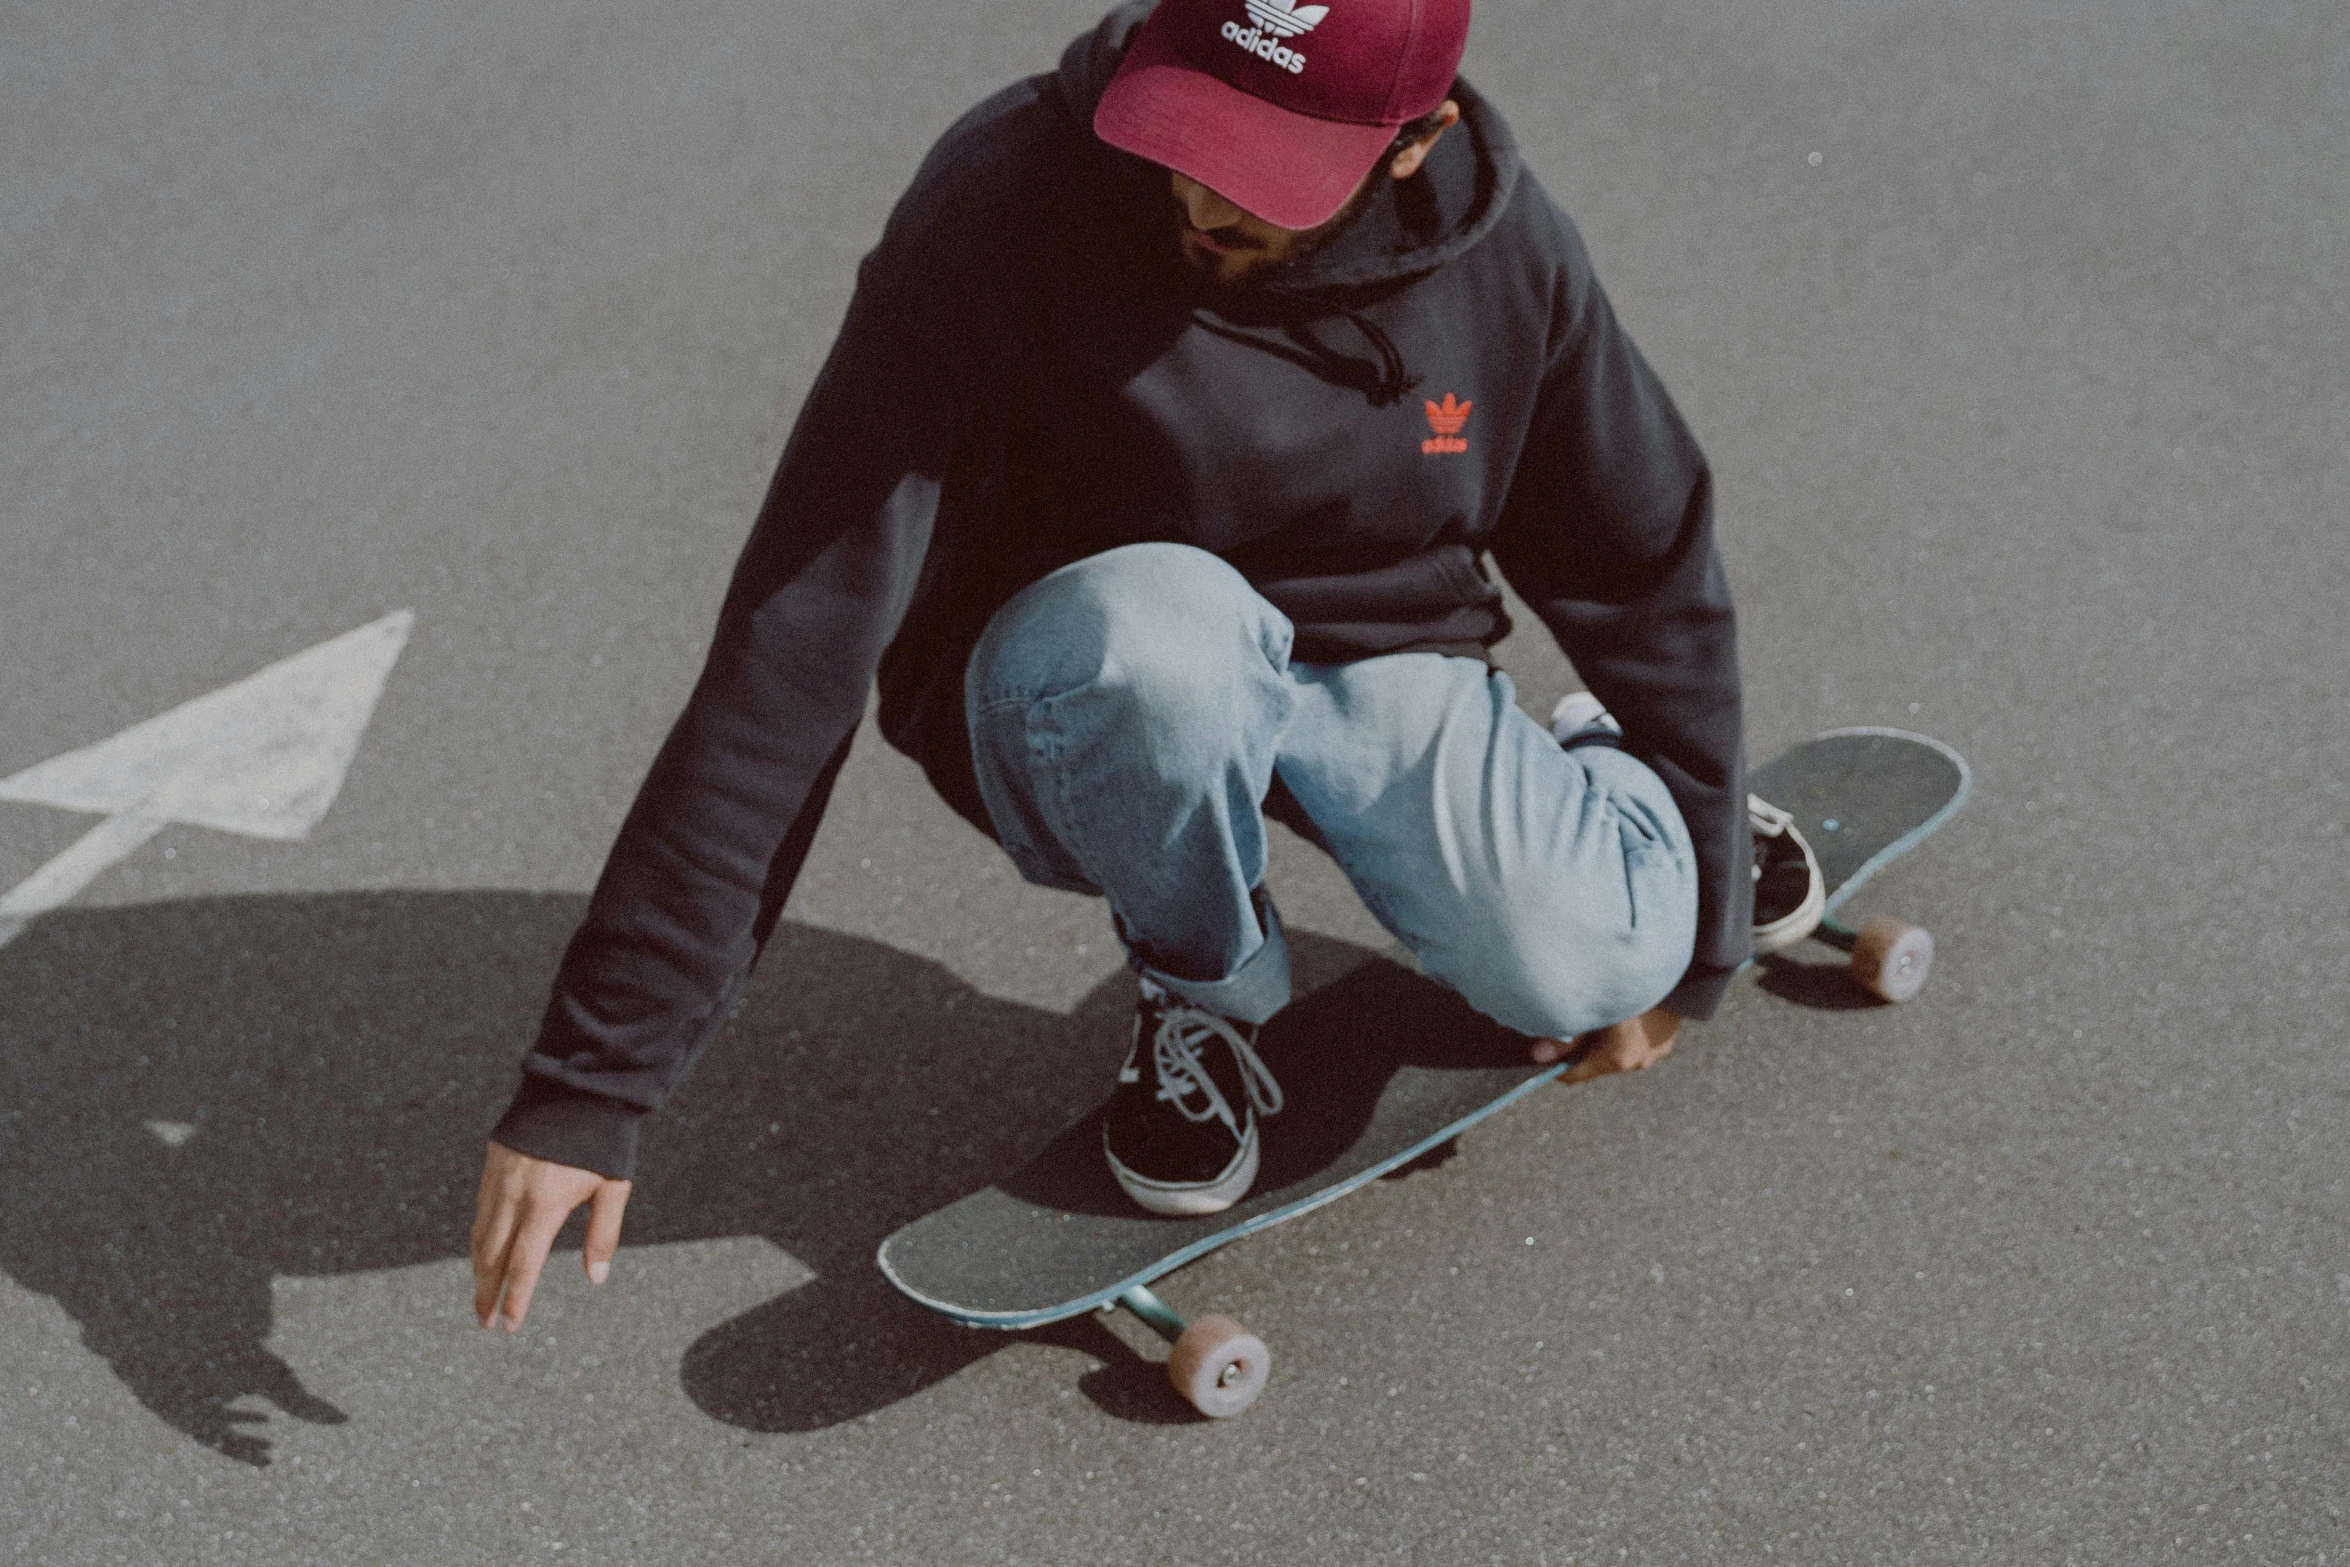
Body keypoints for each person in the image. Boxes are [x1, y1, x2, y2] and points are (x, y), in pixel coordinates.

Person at [469, 0, 1825, 1330]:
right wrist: (597, 1079)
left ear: (1413, 140)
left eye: (1264, 173)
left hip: (1378, 648)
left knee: (1584, 968)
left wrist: (1698, 935)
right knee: (1165, 643)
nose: (1201, 197)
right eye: (1189, 133)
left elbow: (1641, 558)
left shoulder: (1502, 255)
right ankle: (1201, 996)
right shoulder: (1004, 205)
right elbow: (797, 639)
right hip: (1088, 666)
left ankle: (1620, 791)